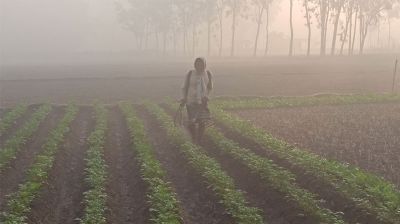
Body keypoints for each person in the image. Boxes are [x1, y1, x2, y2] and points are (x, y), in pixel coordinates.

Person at [181, 57, 213, 144]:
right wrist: (184, 98)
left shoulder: (208, 74)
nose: (199, 66)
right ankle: (193, 138)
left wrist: (206, 96)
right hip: (191, 101)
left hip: (202, 102)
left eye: (201, 64)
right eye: (197, 64)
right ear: (195, 65)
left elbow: (209, 87)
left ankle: (199, 140)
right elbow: (184, 87)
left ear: (205, 65)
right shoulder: (190, 74)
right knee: (192, 121)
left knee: (202, 121)